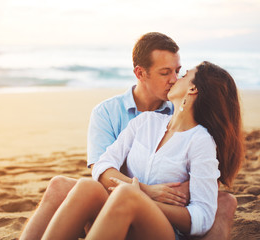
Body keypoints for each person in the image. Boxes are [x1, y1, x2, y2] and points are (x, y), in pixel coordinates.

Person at [19, 33, 238, 240]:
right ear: (140, 73)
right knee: (74, 185)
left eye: (179, 72)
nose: (173, 79)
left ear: (192, 91)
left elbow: (207, 178)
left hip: (159, 217)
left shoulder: (196, 131)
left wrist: (169, 192)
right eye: (165, 73)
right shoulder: (128, 117)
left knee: (225, 201)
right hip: (112, 196)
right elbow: (100, 168)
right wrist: (144, 190)